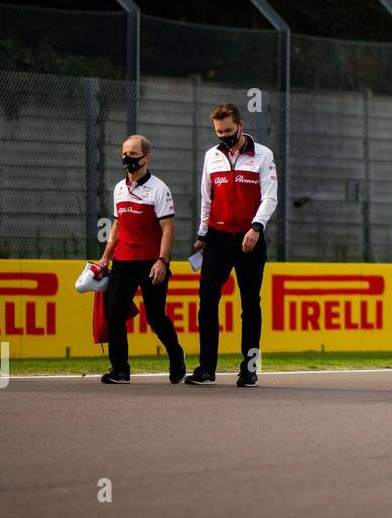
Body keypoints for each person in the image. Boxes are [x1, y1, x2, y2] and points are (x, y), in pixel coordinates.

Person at [186, 103, 277, 387]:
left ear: (241, 125)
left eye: (228, 130)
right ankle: (206, 368)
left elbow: (270, 197)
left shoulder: (263, 155)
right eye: (218, 132)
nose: (223, 136)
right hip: (217, 238)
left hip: (250, 239)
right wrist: (202, 234)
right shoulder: (211, 157)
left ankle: (249, 369)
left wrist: (256, 228)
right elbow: (206, 197)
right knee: (207, 300)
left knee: (250, 304)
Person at [96, 135, 184, 385]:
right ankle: (120, 369)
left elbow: (168, 228)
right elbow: (118, 224)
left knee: (155, 317)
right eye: (124, 153)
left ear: (147, 157)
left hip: (150, 262)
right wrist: (105, 258)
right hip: (123, 261)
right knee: (113, 313)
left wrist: (162, 261)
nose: (127, 158)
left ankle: (176, 354)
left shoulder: (159, 188)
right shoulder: (119, 188)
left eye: (133, 153)